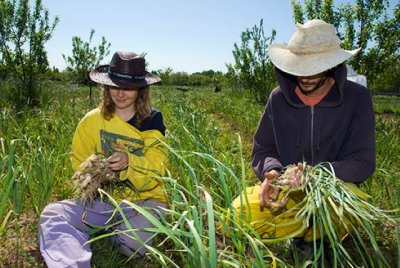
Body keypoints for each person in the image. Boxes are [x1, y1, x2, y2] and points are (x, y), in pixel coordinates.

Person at [229, 19, 376, 260]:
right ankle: (300, 231)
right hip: (287, 191)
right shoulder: (278, 98)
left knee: (354, 207)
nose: (305, 76)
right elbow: (263, 149)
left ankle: (315, 237)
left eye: (314, 68)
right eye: (299, 68)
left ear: (331, 65)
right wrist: (273, 172)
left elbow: (362, 161)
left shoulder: (356, 98)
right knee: (238, 213)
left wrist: (318, 174)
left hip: (333, 189)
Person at [38, 51, 168, 267]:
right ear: (106, 86)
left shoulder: (152, 120)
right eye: (115, 85)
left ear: (141, 89)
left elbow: (156, 171)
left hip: (147, 200)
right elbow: (78, 167)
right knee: (54, 214)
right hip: (105, 202)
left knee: (129, 244)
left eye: (128, 88)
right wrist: (95, 173)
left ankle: (111, 231)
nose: (120, 93)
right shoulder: (92, 120)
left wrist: (129, 162)